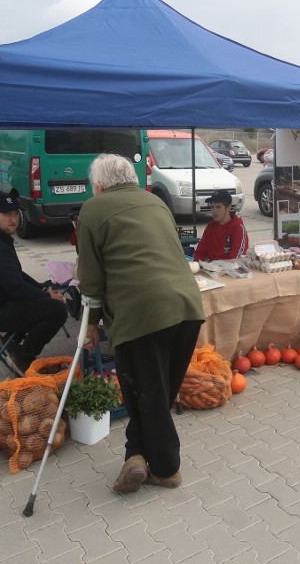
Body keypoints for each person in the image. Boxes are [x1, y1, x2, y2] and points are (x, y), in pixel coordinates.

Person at [77, 154, 205, 494]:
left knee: (147, 394)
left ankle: (166, 469)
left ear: (100, 185)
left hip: (142, 314)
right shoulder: (155, 202)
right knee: (154, 394)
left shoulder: (93, 209)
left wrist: (90, 325)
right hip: (187, 307)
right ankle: (135, 456)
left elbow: (90, 281)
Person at [0, 189, 68, 373]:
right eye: (7, 214)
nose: (13, 219)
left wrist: (43, 289)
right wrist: (47, 297)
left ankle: (11, 340)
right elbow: (16, 287)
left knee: (39, 295)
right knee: (57, 310)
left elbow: (15, 275)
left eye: (16, 213)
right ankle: (23, 359)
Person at [192, 189, 248, 262]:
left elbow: (236, 260)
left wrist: (213, 264)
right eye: (212, 207)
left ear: (228, 207)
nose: (214, 211)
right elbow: (199, 253)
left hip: (228, 271)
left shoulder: (238, 228)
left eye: (218, 207)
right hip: (208, 270)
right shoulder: (210, 226)